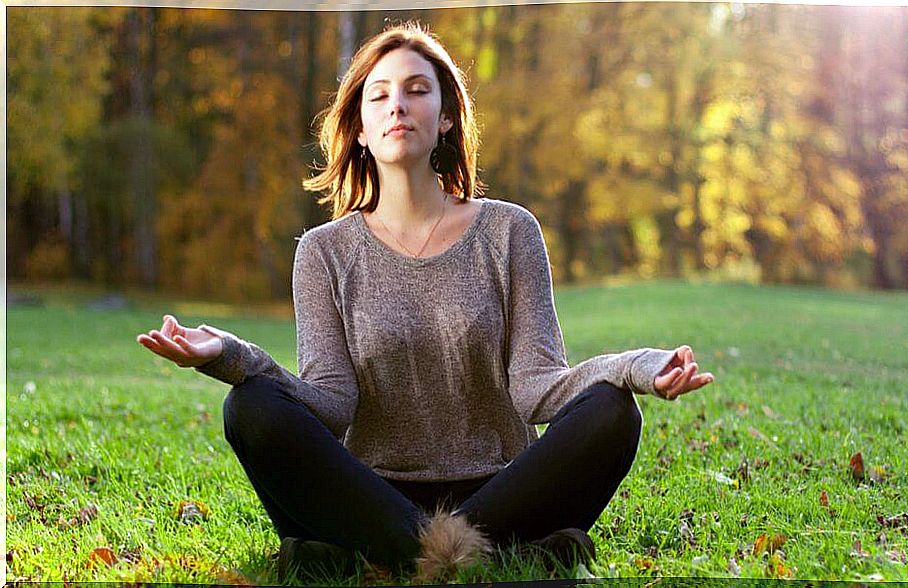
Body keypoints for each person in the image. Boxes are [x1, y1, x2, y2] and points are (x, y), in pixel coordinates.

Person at [136, 22, 714, 582]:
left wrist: (638, 368)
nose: (398, 106)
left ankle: (376, 555)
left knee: (613, 413)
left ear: (444, 119)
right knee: (249, 407)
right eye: (379, 95)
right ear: (359, 127)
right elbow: (331, 403)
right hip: (371, 494)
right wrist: (228, 355)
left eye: (417, 91)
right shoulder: (324, 252)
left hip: (502, 489)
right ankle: (493, 552)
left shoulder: (510, 232)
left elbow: (539, 386)